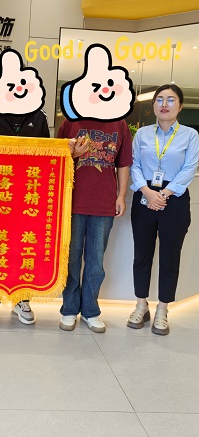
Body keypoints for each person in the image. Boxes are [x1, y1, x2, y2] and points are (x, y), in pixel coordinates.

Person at [128, 84, 199, 335]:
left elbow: (189, 168)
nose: (164, 104)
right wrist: (147, 192)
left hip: (174, 200)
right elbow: (134, 165)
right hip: (144, 197)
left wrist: (164, 194)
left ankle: (163, 308)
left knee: (170, 257)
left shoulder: (190, 135)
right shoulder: (142, 134)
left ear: (180, 105)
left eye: (170, 100)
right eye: (159, 99)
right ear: (153, 105)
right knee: (142, 254)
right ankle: (141, 305)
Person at [0, 108, 50, 325]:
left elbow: (47, 151)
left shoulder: (39, 116)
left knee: (24, 244)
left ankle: (22, 299)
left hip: (27, 192)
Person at [57, 118, 132, 333]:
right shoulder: (70, 121)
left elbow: (123, 163)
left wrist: (121, 195)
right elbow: (56, 158)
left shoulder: (119, 123)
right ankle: (69, 308)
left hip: (103, 202)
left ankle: (90, 311)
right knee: (71, 259)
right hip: (72, 202)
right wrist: (74, 154)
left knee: (95, 261)